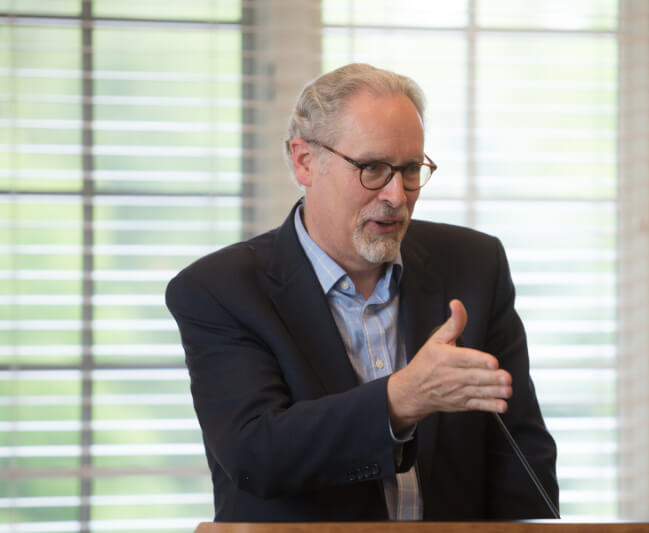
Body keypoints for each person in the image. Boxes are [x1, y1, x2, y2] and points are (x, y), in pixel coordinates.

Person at [166, 63, 558, 522]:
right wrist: (400, 399)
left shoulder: (474, 264)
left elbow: (521, 456)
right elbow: (257, 455)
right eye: (372, 168)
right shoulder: (219, 289)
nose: (396, 195)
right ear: (304, 161)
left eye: (411, 169)